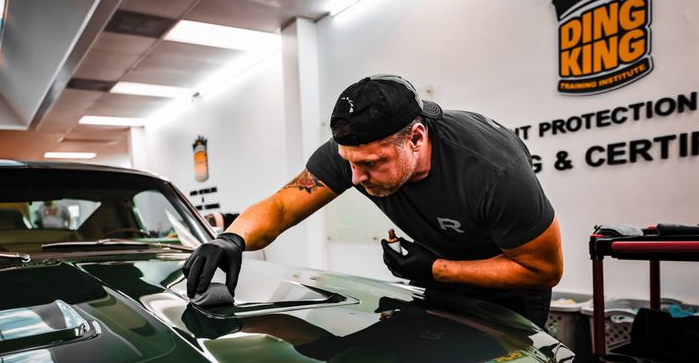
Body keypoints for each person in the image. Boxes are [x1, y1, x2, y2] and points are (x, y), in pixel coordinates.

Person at [183, 74, 563, 327]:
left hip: (511, 295)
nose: (355, 179)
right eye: (348, 163)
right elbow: (283, 205)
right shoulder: (354, 152)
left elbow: (543, 269)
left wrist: (436, 269)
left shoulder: (491, 172)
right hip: (441, 279)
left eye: (371, 164)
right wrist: (232, 239)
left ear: (416, 137)